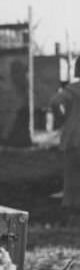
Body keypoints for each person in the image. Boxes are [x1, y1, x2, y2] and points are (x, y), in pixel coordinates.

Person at [50, 56, 80, 209]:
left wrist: (61, 118)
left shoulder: (72, 89)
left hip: (73, 134)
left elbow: (55, 102)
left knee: (71, 172)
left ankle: (69, 202)